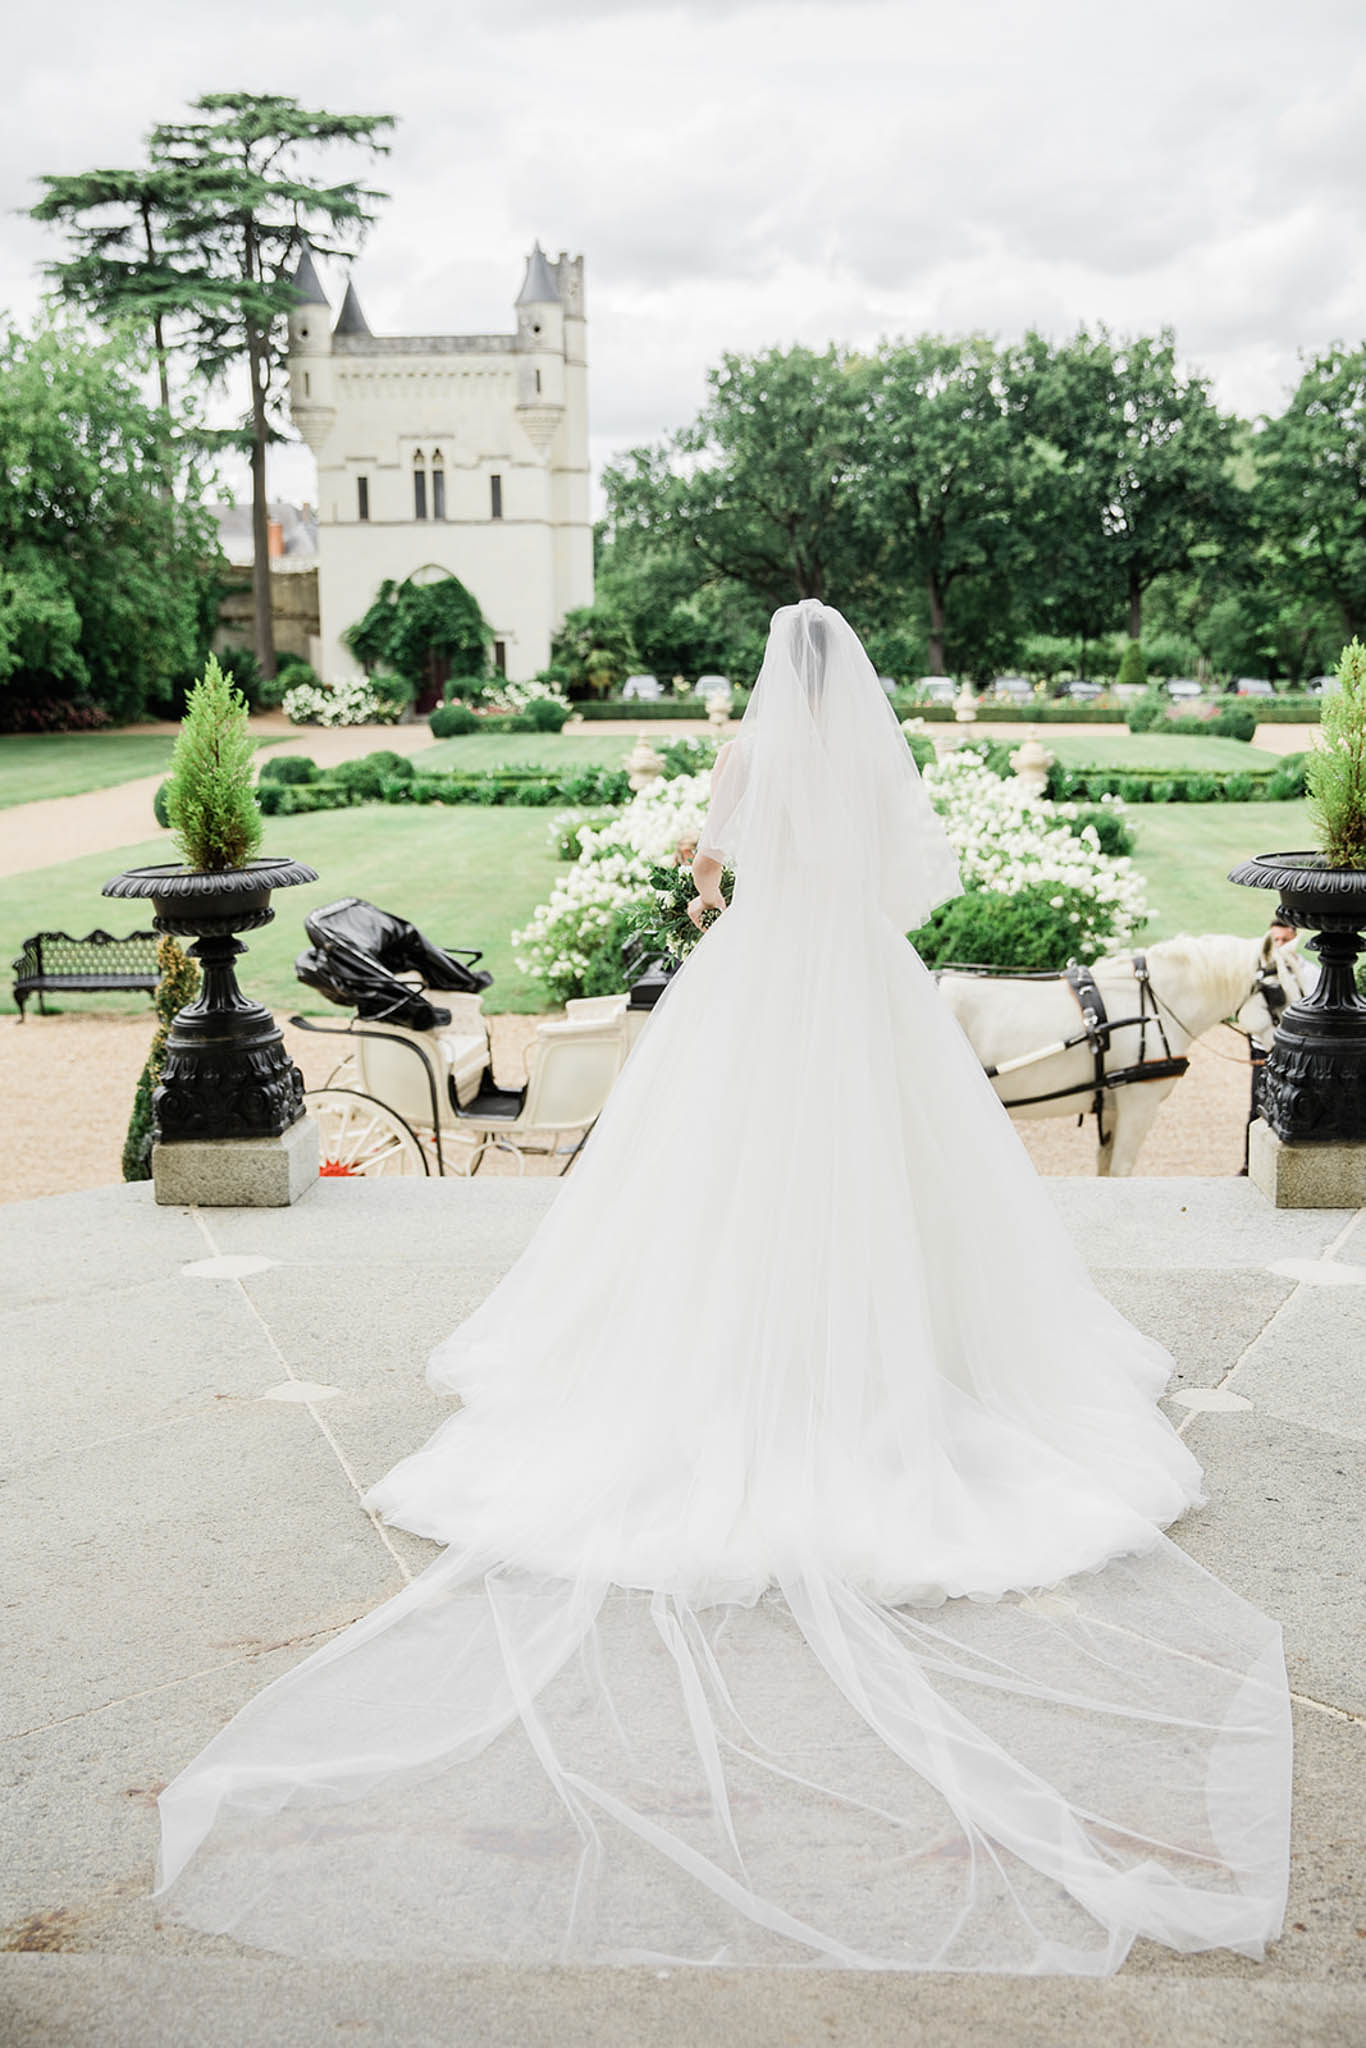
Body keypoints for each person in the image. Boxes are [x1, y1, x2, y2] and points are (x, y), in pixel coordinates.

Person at [152, 601, 1291, 1975]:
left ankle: (729, 1351)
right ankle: (901, 1356)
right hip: (860, 983)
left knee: (717, 1171)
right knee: (887, 1173)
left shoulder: (747, 753)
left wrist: (718, 892)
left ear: (769, 673)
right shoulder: (869, 760)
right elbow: (905, 882)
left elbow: (706, 873)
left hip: (755, 982)